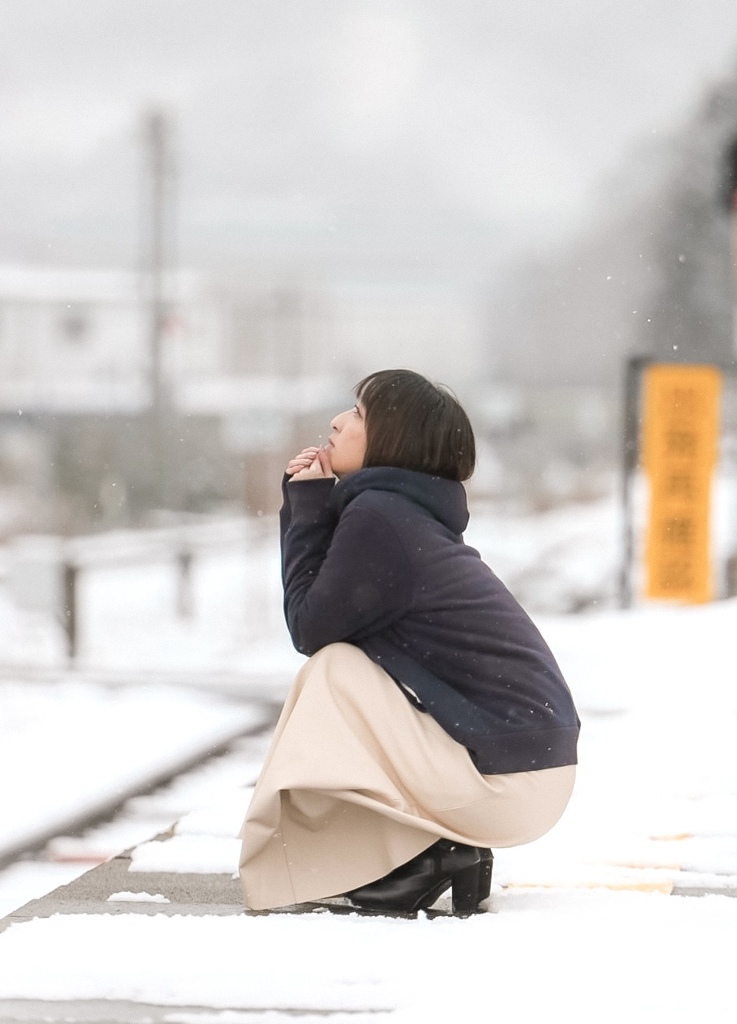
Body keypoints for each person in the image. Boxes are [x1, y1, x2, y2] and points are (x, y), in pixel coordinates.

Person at [239, 369, 579, 916]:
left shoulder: (382, 520)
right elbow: (325, 609)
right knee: (345, 668)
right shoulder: (401, 518)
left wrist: (305, 509)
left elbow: (309, 628)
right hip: (528, 774)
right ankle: (436, 851)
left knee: (335, 671)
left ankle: (416, 854)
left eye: (358, 415)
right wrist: (314, 506)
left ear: (390, 439)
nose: (337, 422)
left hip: (508, 783)